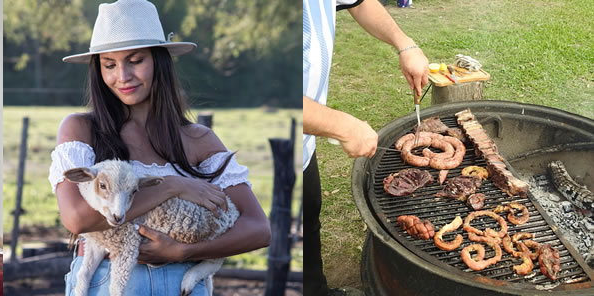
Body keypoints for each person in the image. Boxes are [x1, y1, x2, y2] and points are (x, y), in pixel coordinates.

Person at [49, 0, 271, 295]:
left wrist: (182, 253)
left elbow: (258, 228)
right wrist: (171, 187)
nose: (122, 76)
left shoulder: (198, 139)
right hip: (109, 278)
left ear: (159, 60)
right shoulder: (81, 129)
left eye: (135, 60)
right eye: (109, 65)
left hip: (183, 282)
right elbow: (77, 218)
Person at [302, 0, 430, 295]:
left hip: (300, 144)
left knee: (306, 220)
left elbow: (359, 2)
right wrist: (341, 126)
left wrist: (404, 42)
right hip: (251, 156)